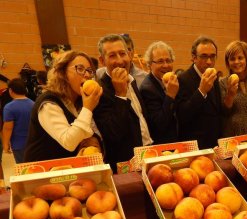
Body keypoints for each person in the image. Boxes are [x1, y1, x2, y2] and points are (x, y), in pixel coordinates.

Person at [24, 50, 102, 162]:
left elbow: (86, 133)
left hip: (67, 170)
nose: (87, 74)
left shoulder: (79, 101)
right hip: (43, 172)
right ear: (62, 72)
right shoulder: (48, 103)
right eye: (80, 69)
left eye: (89, 71)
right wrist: (88, 109)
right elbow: (69, 142)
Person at [94, 34, 152, 171]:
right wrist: (120, 95)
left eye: (122, 53)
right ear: (102, 60)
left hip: (147, 155)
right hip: (125, 167)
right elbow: (113, 134)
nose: (120, 61)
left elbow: (141, 120)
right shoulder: (99, 90)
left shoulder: (132, 81)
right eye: (112, 56)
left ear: (130, 55)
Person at [176, 36, 222, 149]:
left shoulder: (213, 76)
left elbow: (216, 111)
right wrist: (201, 91)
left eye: (212, 56)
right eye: (204, 56)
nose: (209, 62)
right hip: (195, 146)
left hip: (214, 144)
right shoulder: (182, 79)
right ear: (194, 57)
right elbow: (183, 115)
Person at [140, 41, 179, 144]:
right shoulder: (147, 89)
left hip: (178, 142)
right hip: (162, 146)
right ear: (149, 65)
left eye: (168, 60)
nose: (165, 65)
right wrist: (170, 95)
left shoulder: (173, 81)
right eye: (160, 61)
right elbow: (159, 124)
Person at [2, 78, 34, 163]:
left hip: (19, 144)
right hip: (34, 142)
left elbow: (8, 128)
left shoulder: (9, 107)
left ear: (11, 90)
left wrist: (5, 144)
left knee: (24, 169)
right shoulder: (33, 104)